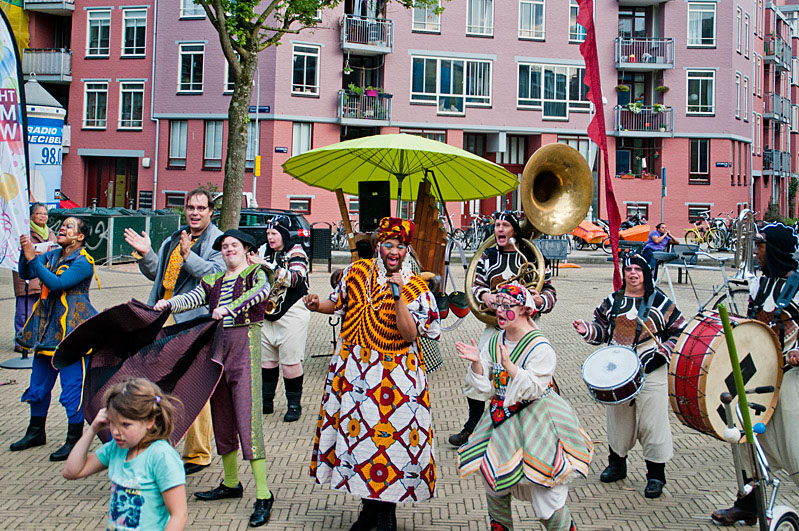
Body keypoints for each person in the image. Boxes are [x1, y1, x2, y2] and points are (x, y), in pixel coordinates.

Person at [305, 216, 440, 531]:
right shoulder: (355, 272)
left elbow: (410, 335)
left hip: (397, 380)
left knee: (391, 445)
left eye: (401, 246)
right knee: (359, 443)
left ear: (408, 250)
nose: (394, 251)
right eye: (389, 244)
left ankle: (386, 514)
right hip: (355, 374)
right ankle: (368, 510)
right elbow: (336, 303)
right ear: (379, 246)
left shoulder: (417, 287)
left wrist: (398, 297)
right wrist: (316, 305)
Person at [154, 229, 275, 528]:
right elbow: (194, 297)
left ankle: (264, 493)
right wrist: (170, 304)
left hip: (246, 343)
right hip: (219, 347)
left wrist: (228, 308)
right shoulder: (213, 280)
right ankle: (232, 482)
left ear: (247, 250)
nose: (228, 250)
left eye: (233, 245)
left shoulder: (258, 273)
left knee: (248, 418)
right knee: (221, 415)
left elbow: (259, 295)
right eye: (224, 246)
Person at [457, 283, 593, 531]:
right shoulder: (496, 339)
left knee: (545, 493)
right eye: (497, 304)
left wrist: (511, 368)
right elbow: (486, 389)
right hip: (500, 421)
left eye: (506, 306)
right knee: (494, 483)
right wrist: (477, 363)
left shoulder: (540, 346)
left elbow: (533, 389)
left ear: (524, 309)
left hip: (537, 421)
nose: (499, 310)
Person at [124, 188, 224, 476]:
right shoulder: (174, 237)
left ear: (210, 212)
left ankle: (198, 453)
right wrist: (146, 254)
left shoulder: (217, 241)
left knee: (195, 386)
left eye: (201, 208)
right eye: (190, 207)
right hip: (163, 317)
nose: (194, 212)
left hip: (194, 321)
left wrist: (188, 255)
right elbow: (159, 274)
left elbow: (213, 278)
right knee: (160, 385)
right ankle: (161, 444)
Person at [572, 253, 686, 499]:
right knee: (618, 420)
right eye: (629, 269)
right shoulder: (613, 301)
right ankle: (617, 464)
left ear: (646, 274)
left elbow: (679, 332)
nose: (633, 273)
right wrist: (587, 330)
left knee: (652, 423)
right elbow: (601, 330)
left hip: (650, 366)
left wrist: (661, 354)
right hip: (617, 369)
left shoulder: (660, 301)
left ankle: (656, 475)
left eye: (638, 269)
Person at [711, 222, 799, 526]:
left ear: (774, 249)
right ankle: (749, 504)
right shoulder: (760, 285)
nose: (757, 251)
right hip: (760, 373)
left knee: (793, 442)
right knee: (747, 439)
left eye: (760, 245)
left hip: (790, 376)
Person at [449, 210, 557, 448]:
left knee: (530, 372)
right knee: (476, 370)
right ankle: (473, 425)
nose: (499, 229)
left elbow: (550, 293)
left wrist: (538, 301)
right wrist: (486, 294)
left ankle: (530, 425)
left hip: (526, 327)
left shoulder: (530, 254)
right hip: (494, 323)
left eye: (505, 225)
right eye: (497, 225)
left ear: (514, 230)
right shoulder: (487, 256)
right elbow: (475, 286)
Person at [12, 216, 98, 461]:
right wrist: (25, 253)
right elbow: (26, 272)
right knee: (38, 385)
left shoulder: (84, 262)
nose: (62, 228)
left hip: (73, 332)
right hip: (46, 329)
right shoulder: (51, 255)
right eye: (62, 226)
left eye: (69, 226)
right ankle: (36, 431)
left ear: (80, 237)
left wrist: (32, 258)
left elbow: (57, 283)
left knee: (72, 389)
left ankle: (75, 441)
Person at [62, 378, 187, 531]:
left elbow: (179, 514)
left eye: (125, 424)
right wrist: (92, 429)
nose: (116, 432)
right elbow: (72, 471)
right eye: (113, 423)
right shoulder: (116, 449)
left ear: (149, 421)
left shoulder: (161, 456)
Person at [250, 215, 310, 423]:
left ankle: (294, 405)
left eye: (274, 233)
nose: (270, 237)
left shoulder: (296, 251)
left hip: (292, 310)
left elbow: (296, 278)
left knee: (290, 361)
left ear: (284, 234)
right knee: (267, 361)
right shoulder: (263, 251)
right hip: (267, 312)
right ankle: (266, 402)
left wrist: (267, 268)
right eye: (268, 233)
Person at [12, 203, 56, 353]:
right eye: (39, 213)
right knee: (24, 310)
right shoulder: (25, 233)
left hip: (44, 275)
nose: (43, 216)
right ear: (31, 216)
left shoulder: (50, 233)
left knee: (42, 309)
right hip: (28, 277)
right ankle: (21, 340)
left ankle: (38, 338)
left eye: (45, 213)